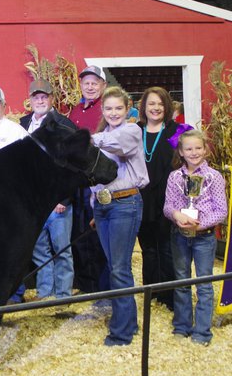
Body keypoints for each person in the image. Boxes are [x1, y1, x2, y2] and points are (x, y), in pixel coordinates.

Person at [91, 86, 149, 346]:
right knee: (115, 265)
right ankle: (130, 322)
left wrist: (86, 139)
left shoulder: (131, 131)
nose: (113, 113)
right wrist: (96, 202)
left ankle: (122, 332)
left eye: (118, 108)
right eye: (108, 108)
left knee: (119, 267)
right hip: (103, 206)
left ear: (128, 110)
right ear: (102, 110)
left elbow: (117, 145)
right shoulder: (101, 135)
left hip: (125, 203)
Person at [10, 80, 77, 302]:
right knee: (39, 251)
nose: (40, 100)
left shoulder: (64, 125)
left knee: (62, 250)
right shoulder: (22, 124)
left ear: (51, 99)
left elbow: (70, 165)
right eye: (36, 97)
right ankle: (45, 293)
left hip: (56, 200)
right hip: (33, 202)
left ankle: (63, 296)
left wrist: (63, 197)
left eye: (44, 97)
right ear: (30, 100)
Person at [164, 129, 228, 346]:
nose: (194, 152)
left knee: (204, 283)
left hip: (204, 237)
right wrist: (177, 215)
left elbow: (221, 211)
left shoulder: (214, 177)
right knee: (181, 280)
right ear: (181, 152)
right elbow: (168, 206)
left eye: (198, 148)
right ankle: (182, 326)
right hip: (180, 235)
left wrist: (201, 223)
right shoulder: (175, 177)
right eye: (189, 149)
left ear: (205, 149)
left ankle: (202, 331)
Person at [136, 87, 178, 310]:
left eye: (160, 104)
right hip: (142, 199)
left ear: (167, 106)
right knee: (148, 249)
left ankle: (169, 295)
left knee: (166, 249)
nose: (155, 108)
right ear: (143, 107)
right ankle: (150, 291)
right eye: (151, 103)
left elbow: (189, 157)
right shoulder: (135, 130)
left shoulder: (176, 131)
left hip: (168, 199)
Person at [69, 64, 109, 293]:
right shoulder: (75, 111)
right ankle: (84, 282)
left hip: (97, 181)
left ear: (103, 85)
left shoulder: (107, 109)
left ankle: (100, 284)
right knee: (79, 231)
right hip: (77, 179)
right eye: (86, 83)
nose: (90, 86)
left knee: (97, 230)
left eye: (95, 82)